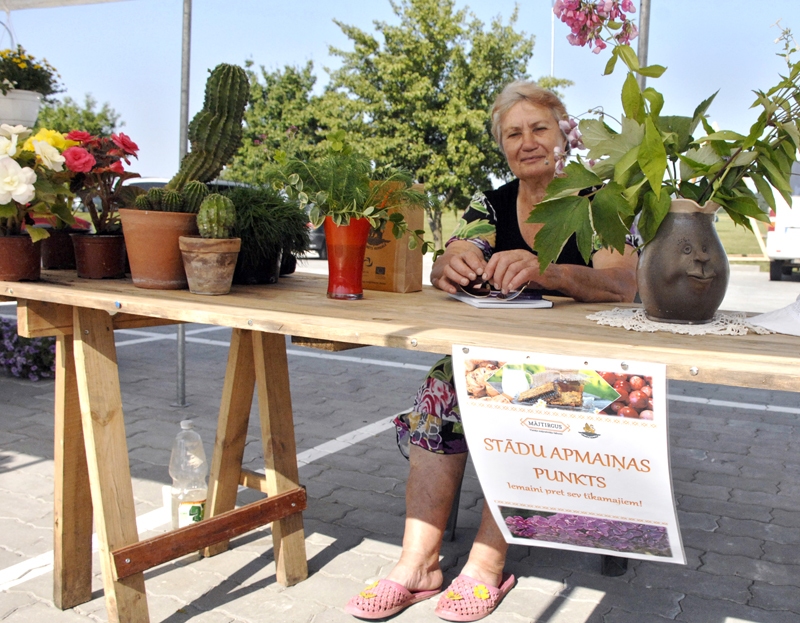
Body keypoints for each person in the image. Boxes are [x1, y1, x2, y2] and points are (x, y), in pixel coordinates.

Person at [345, 81, 638, 622]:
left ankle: (485, 565)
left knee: (527, 396)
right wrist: (447, 267)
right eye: (513, 133)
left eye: (539, 128)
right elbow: (456, 252)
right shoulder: (493, 202)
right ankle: (418, 562)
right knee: (442, 384)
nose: (526, 141)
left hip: (585, 367)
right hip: (497, 351)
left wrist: (548, 270)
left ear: (563, 134)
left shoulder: (597, 199)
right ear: (502, 146)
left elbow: (624, 285)